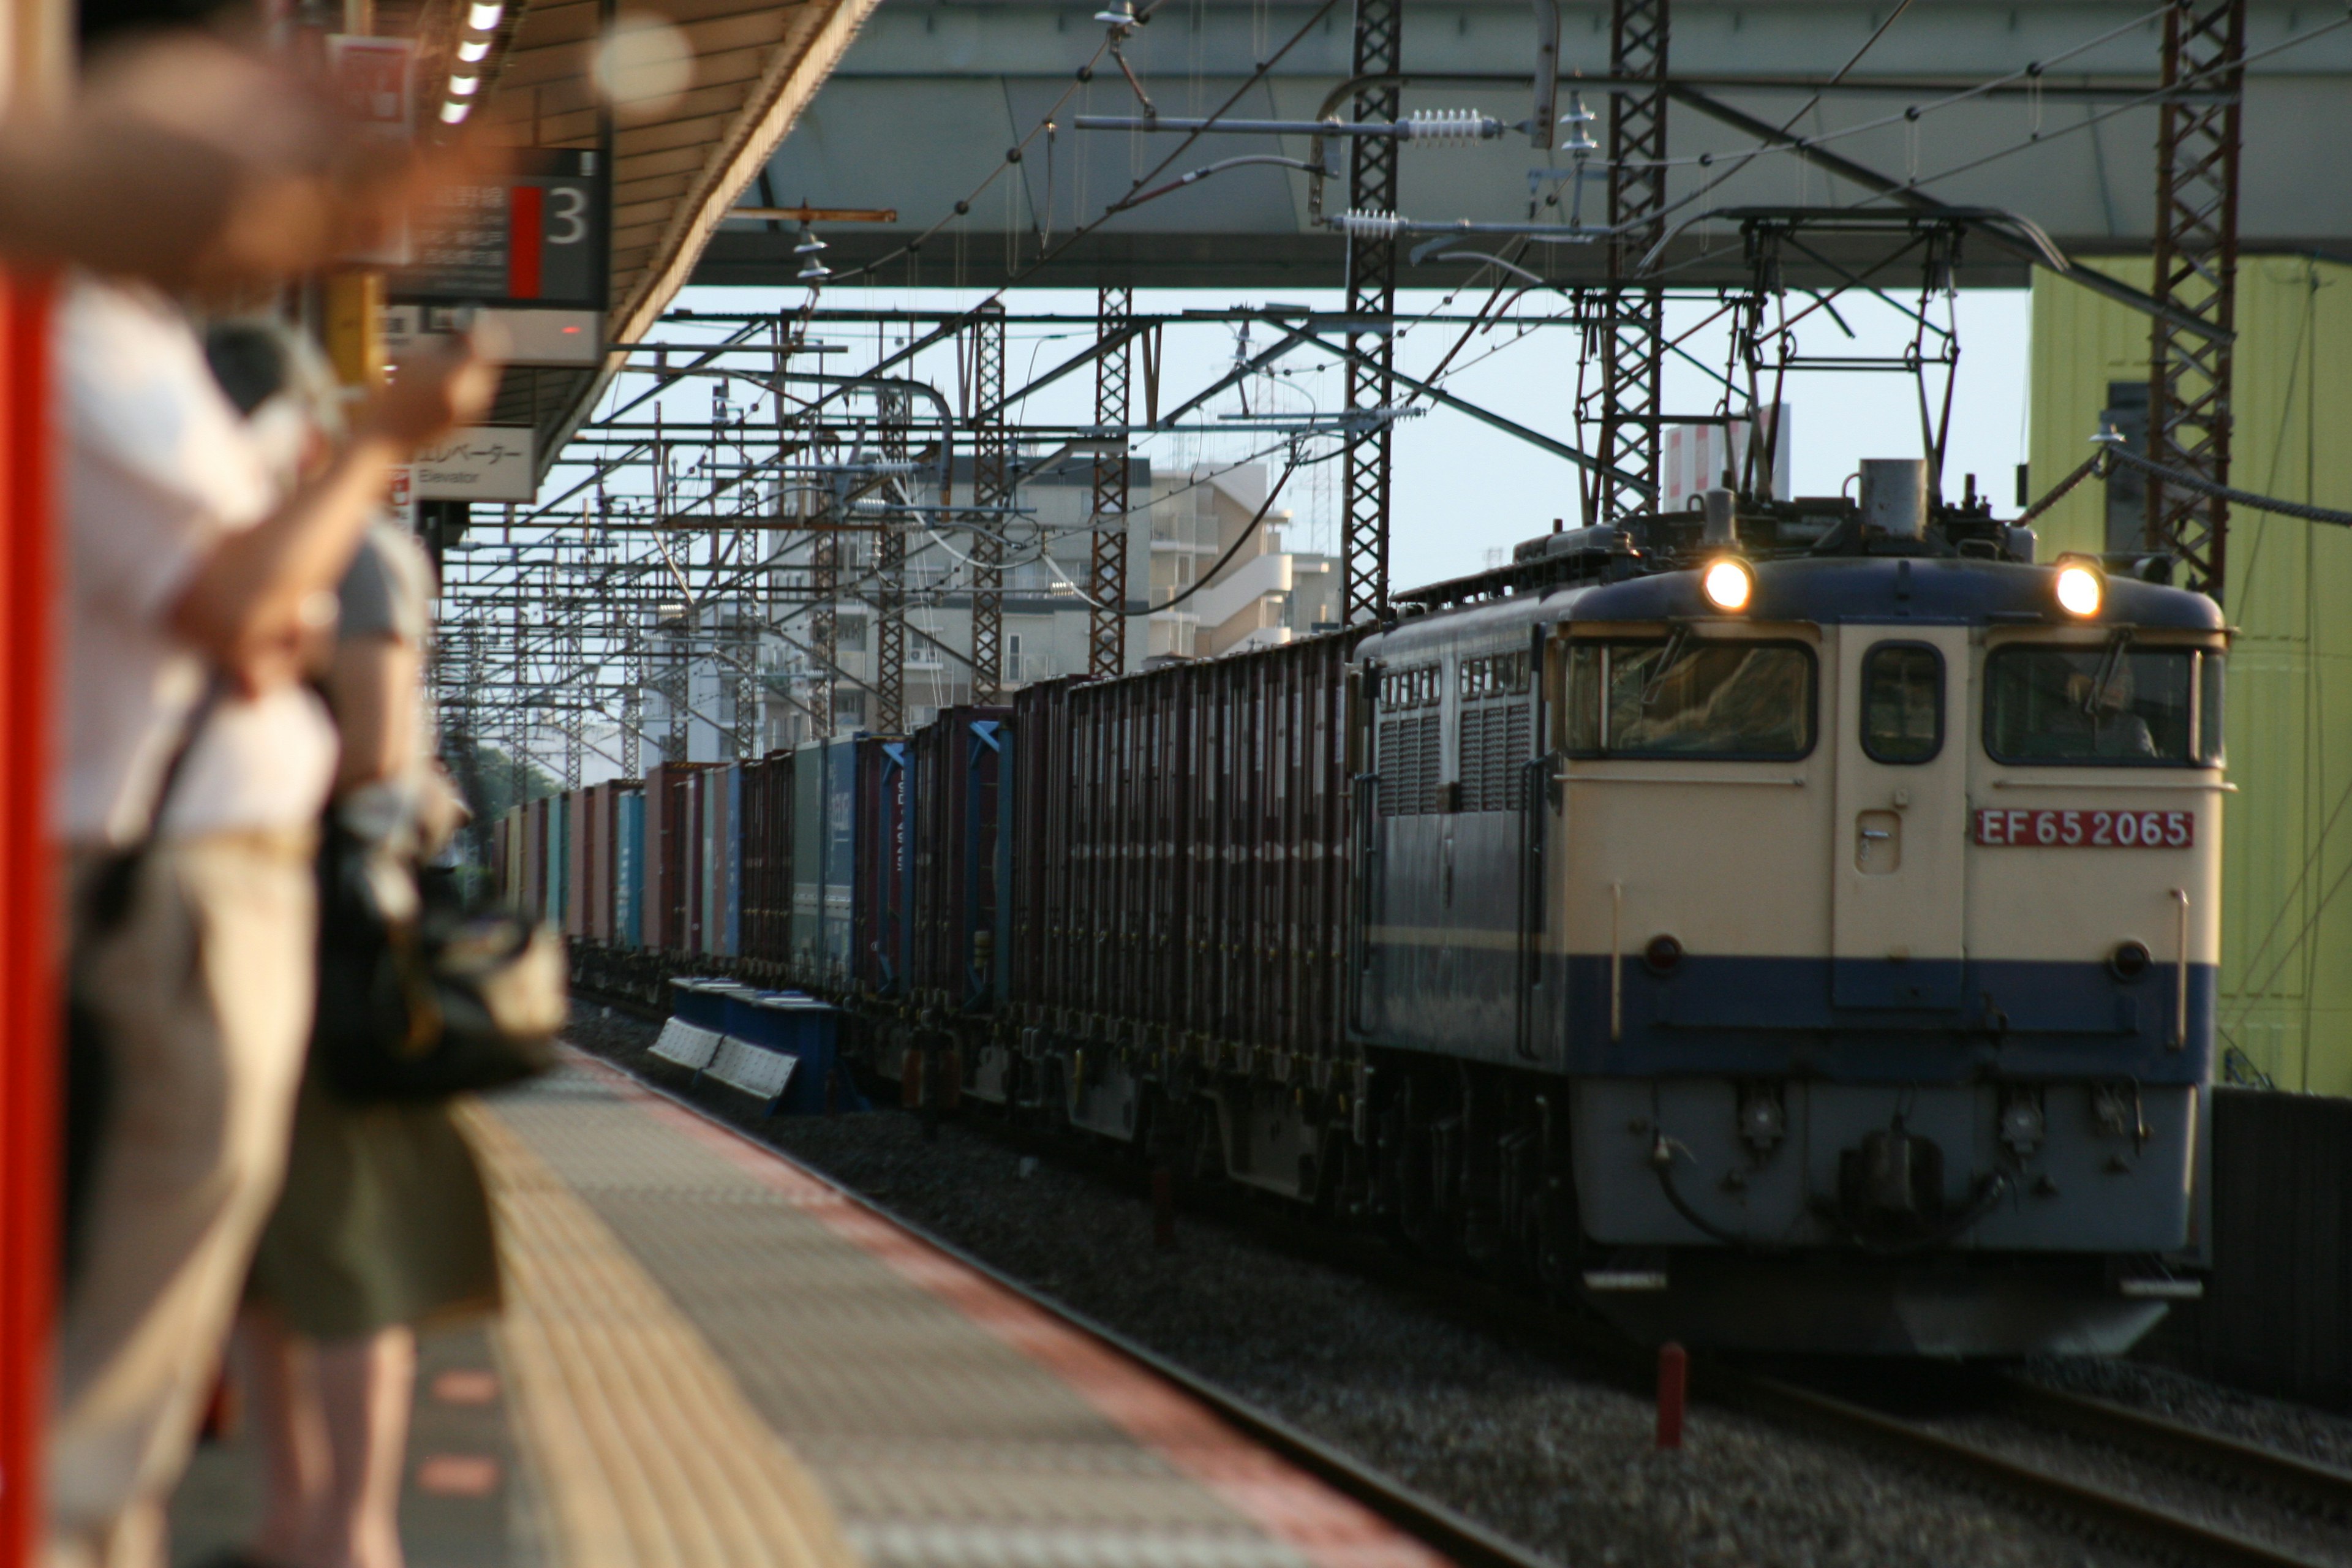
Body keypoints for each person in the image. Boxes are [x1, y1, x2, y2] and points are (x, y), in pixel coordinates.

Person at [48, 234, 495, 1568]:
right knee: (277, 1252)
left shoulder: (334, 551)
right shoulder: (295, 527)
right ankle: (319, 1520)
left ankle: (330, 1522)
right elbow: (314, 695)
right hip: (236, 908)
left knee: (304, 1242)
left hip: (310, 923)